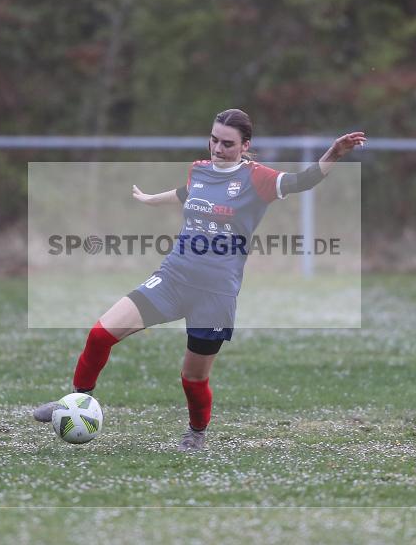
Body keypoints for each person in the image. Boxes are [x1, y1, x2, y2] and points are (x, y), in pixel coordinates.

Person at [34, 109, 366, 451]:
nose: (218, 148)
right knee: (100, 335)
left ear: (245, 145)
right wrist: (151, 199)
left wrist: (334, 154)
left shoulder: (258, 179)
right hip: (173, 278)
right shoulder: (200, 170)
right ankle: (74, 402)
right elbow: (188, 192)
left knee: (193, 377)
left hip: (215, 294)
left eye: (227, 143)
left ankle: (196, 433)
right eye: (214, 140)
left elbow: (303, 181)